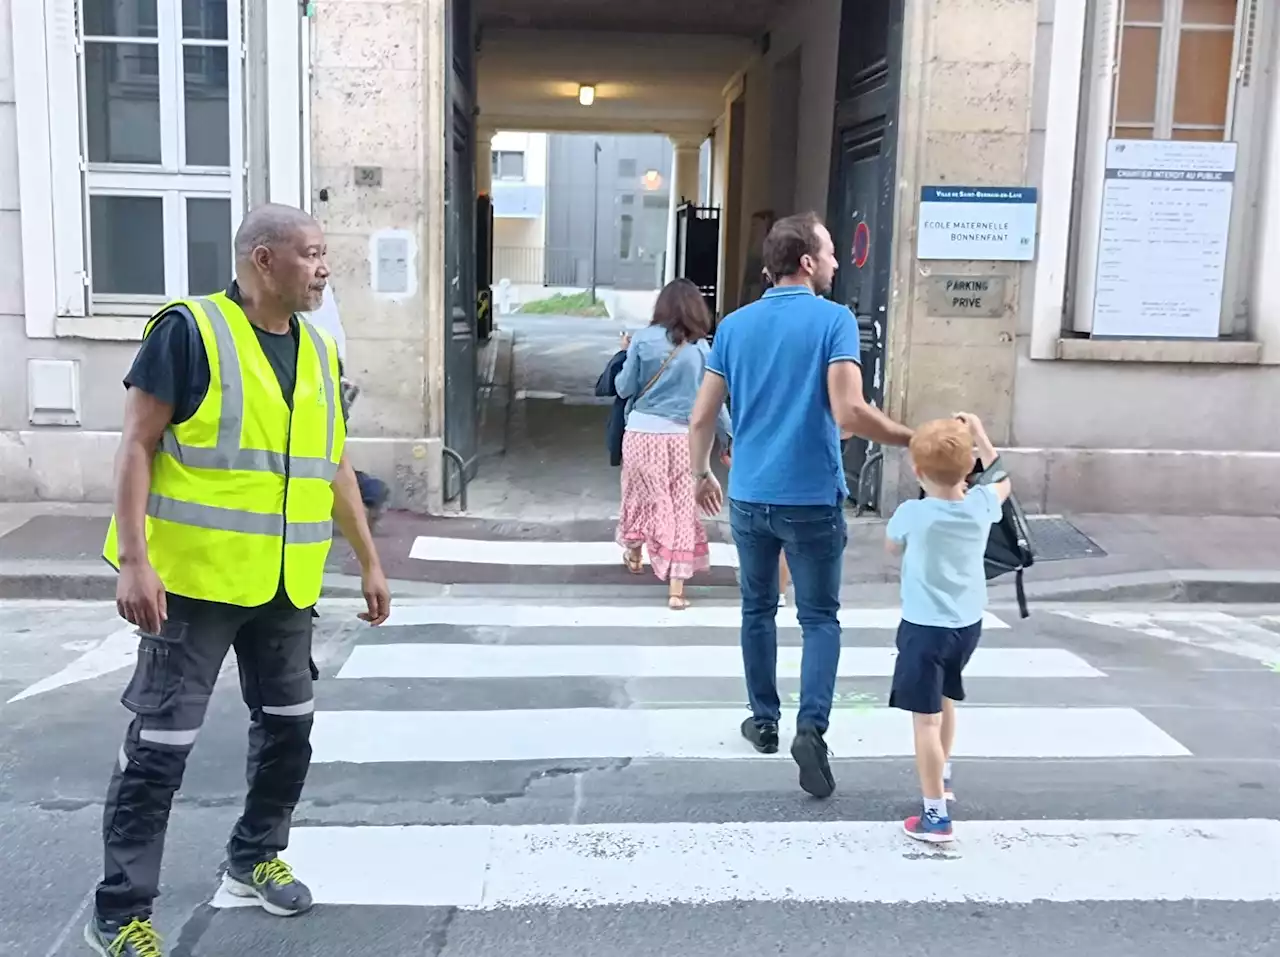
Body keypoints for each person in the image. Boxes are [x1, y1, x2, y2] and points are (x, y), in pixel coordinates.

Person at [86, 203, 392, 957]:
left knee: (289, 731)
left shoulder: (318, 351)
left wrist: (369, 560)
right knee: (160, 748)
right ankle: (119, 910)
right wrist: (134, 558)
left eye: (324, 254)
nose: (323, 269)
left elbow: (334, 464)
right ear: (263, 259)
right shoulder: (189, 331)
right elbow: (136, 443)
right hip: (190, 584)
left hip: (285, 585)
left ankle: (253, 856)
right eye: (311, 254)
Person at [688, 211, 913, 799]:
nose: (838, 262)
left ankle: (763, 721)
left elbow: (702, 413)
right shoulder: (834, 320)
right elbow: (849, 412)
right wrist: (914, 438)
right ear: (808, 262)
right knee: (818, 619)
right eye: (832, 252)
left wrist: (698, 473)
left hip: (749, 495)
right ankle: (811, 727)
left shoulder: (734, 325)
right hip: (810, 496)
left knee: (756, 609)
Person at [885, 413, 1010, 843]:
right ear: (969, 467)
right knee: (945, 696)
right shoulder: (981, 505)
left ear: (918, 471)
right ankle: (945, 774)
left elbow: (890, 546)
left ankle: (935, 815)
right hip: (967, 624)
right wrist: (979, 434)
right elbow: (1004, 479)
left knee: (925, 722)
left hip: (924, 628)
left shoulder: (913, 513)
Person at [615, 278, 732, 609]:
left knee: (640, 497)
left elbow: (624, 388)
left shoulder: (642, 340)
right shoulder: (701, 350)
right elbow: (714, 402)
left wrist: (626, 354)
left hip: (641, 435)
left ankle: (635, 555)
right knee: (681, 507)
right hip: (684, 440)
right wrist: (729, 438)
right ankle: (676, 590)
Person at [303, 283, 392, 527]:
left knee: (317, 454)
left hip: (316, 372)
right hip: (328, 369)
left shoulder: (295, 282)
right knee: (321, 453)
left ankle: (367, 493)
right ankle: (367, 494)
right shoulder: (313, 281)